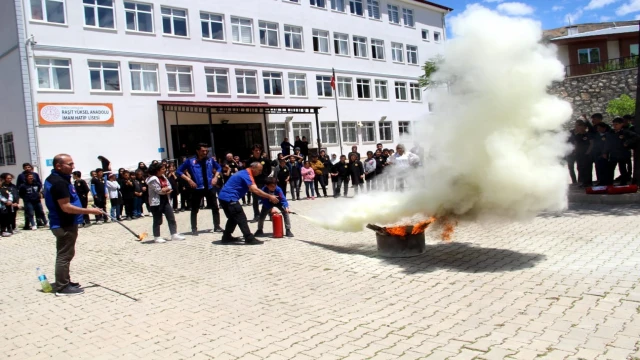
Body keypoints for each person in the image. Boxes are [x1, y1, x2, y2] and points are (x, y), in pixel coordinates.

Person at [43, 154, 103, 296]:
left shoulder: (57, 179)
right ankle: (62, 287)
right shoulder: (58, 182)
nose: (73, 166)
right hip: (64, 224)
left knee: (67, 254)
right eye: (69, 164)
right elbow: (66, 207)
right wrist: (90, 211)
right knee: (64, 255)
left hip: (65, 222)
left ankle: (65, 281)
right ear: (58, 166)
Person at [217, 162, 279, 245]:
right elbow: (255, 190)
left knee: (233, 218)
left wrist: (266, 199)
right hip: (230, 198)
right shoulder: (247, 175)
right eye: (259, 170)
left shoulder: (244, 173)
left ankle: (226, 237)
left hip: (223, 198)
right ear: (253, 168)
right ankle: (249, 238)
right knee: (241, 218)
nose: (260, 172)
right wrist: (270, 196)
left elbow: (254, 191)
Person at [177, 143, 223, 235]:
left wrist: (215, 177)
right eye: (203, 151)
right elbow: (178, 171)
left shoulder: (210, 160)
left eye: (206, 150)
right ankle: (194, 228)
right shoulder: (190, 161)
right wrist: (189, 180)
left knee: (215, 207)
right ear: (197, 151)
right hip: (197, 188)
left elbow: (219, 168)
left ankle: (217, 226)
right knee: (195, 209)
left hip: (209, 187)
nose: (205, 152)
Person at [147, 163, 185, 243]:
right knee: (157, 220)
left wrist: (166, 189)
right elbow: (159, 191)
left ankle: (174, 234)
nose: (165, 170)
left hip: (165, 200)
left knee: (171, 217)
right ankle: (157, 236)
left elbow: (170, 186)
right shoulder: (152, 179)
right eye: (163, 169)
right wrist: (166, 190)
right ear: (157, 170)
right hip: (156, 202)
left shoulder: (163, 177)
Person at [244, 144, 272, 222]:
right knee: (255, 200)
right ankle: (256, 215)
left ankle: (270, 214)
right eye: (256, 150)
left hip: (264, 181)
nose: (258, 152)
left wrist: (265, 176)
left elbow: (269, 169)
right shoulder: (249, 161)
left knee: (267, 197)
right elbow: (247, 171)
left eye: (259, 150)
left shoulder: (265, 160)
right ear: (253, 151)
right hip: (254, 182)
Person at [609, 117, 639, 185]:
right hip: (613, 153)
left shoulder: (625, 132)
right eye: (613, 124)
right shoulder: (611, 132)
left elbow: (636, 137)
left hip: (622, 153)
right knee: (610, 168)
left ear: (621, 124)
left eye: (616, 124)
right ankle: (609, 182)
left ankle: (623, 182)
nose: (614, 126)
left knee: (622, 168)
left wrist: (627, 142)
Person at [572, 120, 593, 187]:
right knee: (580, 168)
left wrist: (588, 152)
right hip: (579, 154)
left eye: (581, 126)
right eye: (578, 127)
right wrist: (575, 151)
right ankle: (582, 182)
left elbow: (592, 144)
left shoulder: (588, 134)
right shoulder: (577, 135)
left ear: (584, 127)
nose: (579, 128)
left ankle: (588, 182)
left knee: (587, 168)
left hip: (587, 154)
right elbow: (576, 144)